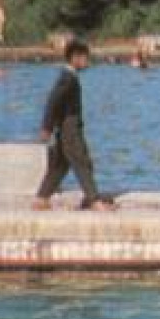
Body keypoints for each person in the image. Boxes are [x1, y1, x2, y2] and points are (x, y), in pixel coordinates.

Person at [34, 39, 114, 210]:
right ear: (75, 58)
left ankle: (42, 198)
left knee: (60, 165)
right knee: (82, 161)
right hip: (70, 128)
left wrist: (50, 126)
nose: (88, 62)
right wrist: (46, 127)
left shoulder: (68, 77)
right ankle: (93, 200)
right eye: (86, 58)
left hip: (64, 127)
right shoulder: (68, 79)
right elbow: (53, 101)